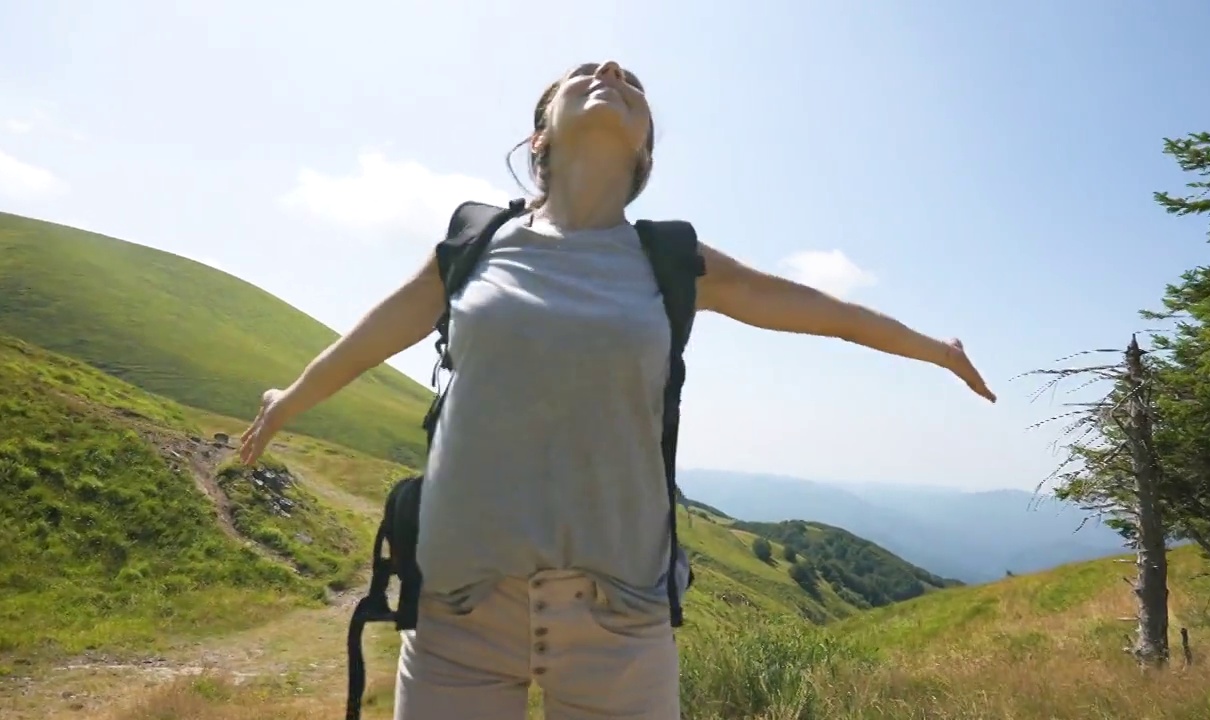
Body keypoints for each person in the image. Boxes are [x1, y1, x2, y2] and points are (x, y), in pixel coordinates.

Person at [238, 60, 995, 720]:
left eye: (632, 84)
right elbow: (370, 339)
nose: (610, 67)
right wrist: (288, 401)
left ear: (644, 154)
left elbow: (827, 314)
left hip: (620, 620)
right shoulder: (475, 243)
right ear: (540, 140)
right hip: (458, 611)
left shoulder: (671, 259)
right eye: (584, 74)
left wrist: (933, 348)